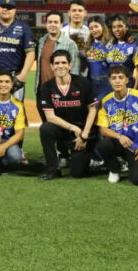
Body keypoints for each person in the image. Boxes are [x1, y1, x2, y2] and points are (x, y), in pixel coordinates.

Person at [38, 50, 98, 180]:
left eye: (64, 63)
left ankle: (86, 158)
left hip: (83, 130)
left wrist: (84, 135)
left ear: (70, 65)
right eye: (57, 63)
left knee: (77, 173)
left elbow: (93, 110)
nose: (60, 66)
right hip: (64, 128)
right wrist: (73, 128)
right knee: (46, 128)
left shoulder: (83, 82)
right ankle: (52, 169)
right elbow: (50, 117)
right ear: (52, 66)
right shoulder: (47, 87)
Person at [96, 66, 138, 186]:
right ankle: (114, 169)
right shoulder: (106, 101)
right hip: (117, 142)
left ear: (127, 80)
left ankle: (130, 162)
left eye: (121, 77)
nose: (117, 81)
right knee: (103, 145)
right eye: (113, 78)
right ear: (109, 81)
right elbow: (103, 129)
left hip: (137, 145)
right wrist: (119, 136)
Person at [0, 0, 35, 100]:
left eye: (9, 7)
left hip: (15, 76)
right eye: (3, 6)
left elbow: (30, 53)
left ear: (15, 11)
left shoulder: (24, 28)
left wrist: (23, 75)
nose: (5, 9)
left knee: (15, 108)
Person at [35, 11, 80, 90]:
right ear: (46, 24)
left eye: (56, 22)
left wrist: (71, 90)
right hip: (42, 89)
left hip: (61, 90)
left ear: (61, 24)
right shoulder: (41, 41)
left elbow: (74, 70)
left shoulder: (70, 44)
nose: (52, 24)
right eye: (50, 22)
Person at [85, 16, 112, 99]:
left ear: (103, 26)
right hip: (92, 82)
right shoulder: (89, 44)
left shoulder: (111, 43)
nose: (94, 30)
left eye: (96, 26)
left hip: (107, 82)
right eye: (91, 28)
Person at [105, 15, 137, 86]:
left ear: (127, 27)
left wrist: (135, 87)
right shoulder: (110, 46)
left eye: (120, 26)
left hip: (128, 85)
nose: (117, 29)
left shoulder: (134, 46)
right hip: (112, 85)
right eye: (114, 27)